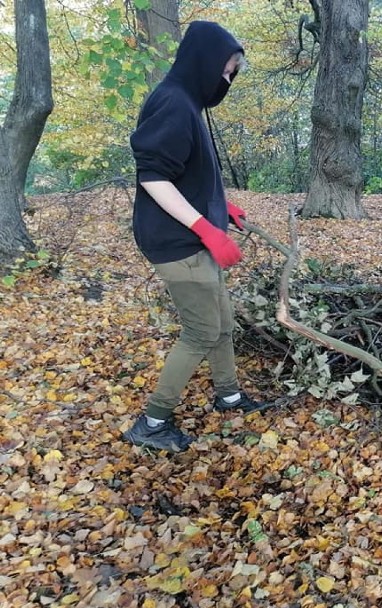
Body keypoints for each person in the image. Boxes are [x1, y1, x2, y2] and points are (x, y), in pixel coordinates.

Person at [123, 21, 263, 453]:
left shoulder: (189, 105)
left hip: (194, 239)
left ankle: (230, 396)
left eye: (234, 72)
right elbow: (154, 177)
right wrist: (205, 227)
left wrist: (223, 210)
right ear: (204, 60)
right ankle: (152, 422)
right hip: (178, 244)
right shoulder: (173, 103)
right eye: (227, 69)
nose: (229, 79)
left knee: (221, 322)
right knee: (201, 332)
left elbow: (189, 175)